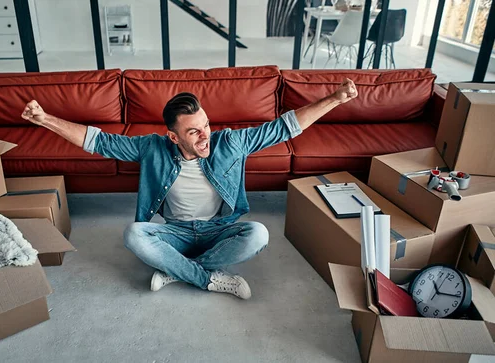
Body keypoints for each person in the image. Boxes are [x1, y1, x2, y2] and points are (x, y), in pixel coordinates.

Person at [21, 78, 358, 300]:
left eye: (206, 125)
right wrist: (45, 119)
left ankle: (174, 270)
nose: (205, 135)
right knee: (134, 234)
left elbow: (285, 127)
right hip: (176, 233)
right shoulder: (153, 147)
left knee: (258, 234)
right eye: (194, 132)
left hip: (218, 230)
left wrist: (336, 98)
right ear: (174, 136)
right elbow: (100, 142)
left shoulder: (231, 142)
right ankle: (207, 277)